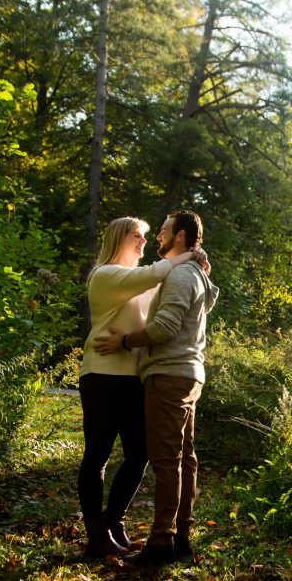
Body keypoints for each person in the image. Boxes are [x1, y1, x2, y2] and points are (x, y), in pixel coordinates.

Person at [78, 216, 207, 558]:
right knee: (98, 455)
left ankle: (114, 520)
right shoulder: (105, 275)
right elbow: (155, 272)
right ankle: (96, 534)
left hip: (135, 377)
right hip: (102, 375)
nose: (143, 240)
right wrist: (193, 253)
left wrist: (195, 257)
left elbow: (166, 282)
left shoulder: (145, 280)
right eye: (136, 235)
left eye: (146, 236)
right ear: (118, 237)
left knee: (140, 455)